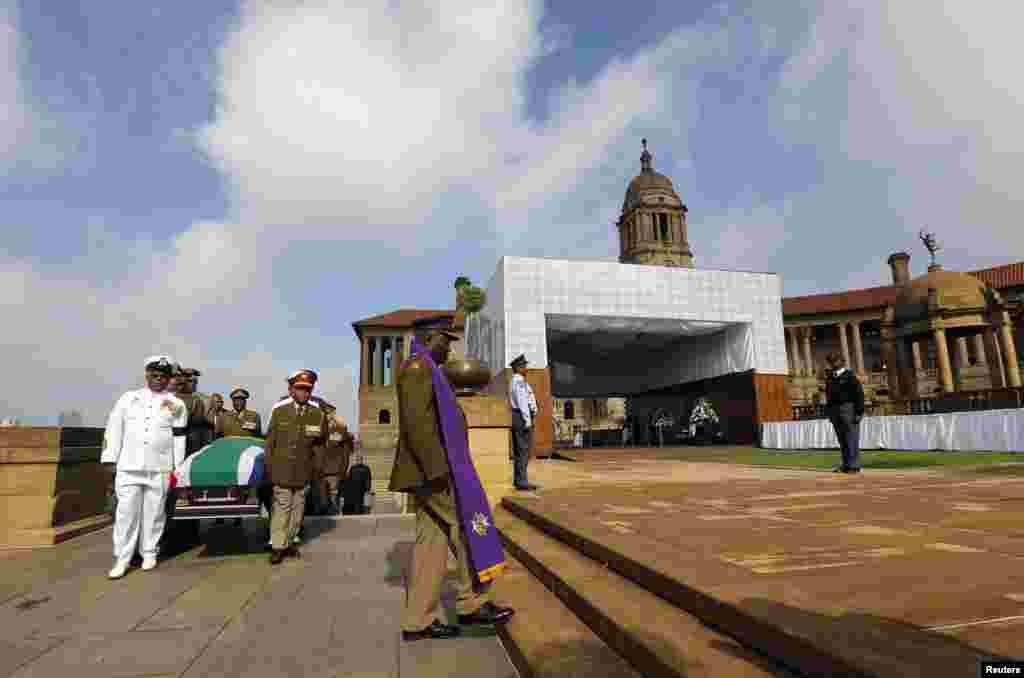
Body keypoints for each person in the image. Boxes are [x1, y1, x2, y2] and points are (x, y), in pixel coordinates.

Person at [389, 314, 514, 641]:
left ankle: (418, 621)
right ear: (432, 338)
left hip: (426, 471)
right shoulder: (419, 370)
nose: (450, 348)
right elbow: (417, 427)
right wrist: (439, 472)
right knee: (465, 526)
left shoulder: (428, 370)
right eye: (447, 340)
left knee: (431, 543)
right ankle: (472, 603)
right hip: (433, 472)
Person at [101, 355, 187, 579]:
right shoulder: (129, 399)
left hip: (160, 467)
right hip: (129, 466)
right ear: (147, 375)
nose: (158, 379)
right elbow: (114, 428)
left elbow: (179, 437)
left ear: (169, 379)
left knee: (155, 513)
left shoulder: (177, 404)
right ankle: (122, 558)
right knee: (126, 513)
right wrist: (110, 459)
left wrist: (177, 468)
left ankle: (149, 552)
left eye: (163, 376)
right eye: (154, 375)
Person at [264, 370, 328, 564]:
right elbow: (270, 442)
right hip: (281, 469)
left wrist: (317, 469)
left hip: (304, 470)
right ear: (291, 390)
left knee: (298, 510)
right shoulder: (279, 410)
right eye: (300, 389)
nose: (305, 393)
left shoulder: (317, 413)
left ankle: (289, 543)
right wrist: (270, 468)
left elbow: (320, 443)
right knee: (282, 508)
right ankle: (277, 546)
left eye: (308, 389)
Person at [824, 352, 865, 474]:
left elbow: (859, 394)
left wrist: (859, 412)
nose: (833, 363)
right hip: (835, 411)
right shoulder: (830, 378)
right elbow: (829, 397)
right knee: (842, 439)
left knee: (851, 437)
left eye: (835, 360)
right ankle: (846, 464)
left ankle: (854, 465)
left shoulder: (850, 376)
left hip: (848, 408)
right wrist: (830, 413)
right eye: (831, 361)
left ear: (842, 362)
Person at [508, 354, 539, 491]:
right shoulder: (519, 381)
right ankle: (522, 481)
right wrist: (527, 420)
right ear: (519, 368)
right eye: (524, 366)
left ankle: (519, 480)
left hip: (519, 416)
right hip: (521, 417)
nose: (526, 368)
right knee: (523, 450)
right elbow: (522, 402)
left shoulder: (518, 380)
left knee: (521, 450)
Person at [316, 409, 351, 515]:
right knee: (321, 494)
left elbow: (344, 441)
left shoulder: (338, 431)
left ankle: (333, 512)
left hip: (332, 470)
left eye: (330, 414)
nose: (328, 417)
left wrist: (340, 425)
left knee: (332, 493)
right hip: (319, 470)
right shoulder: (320, 430)